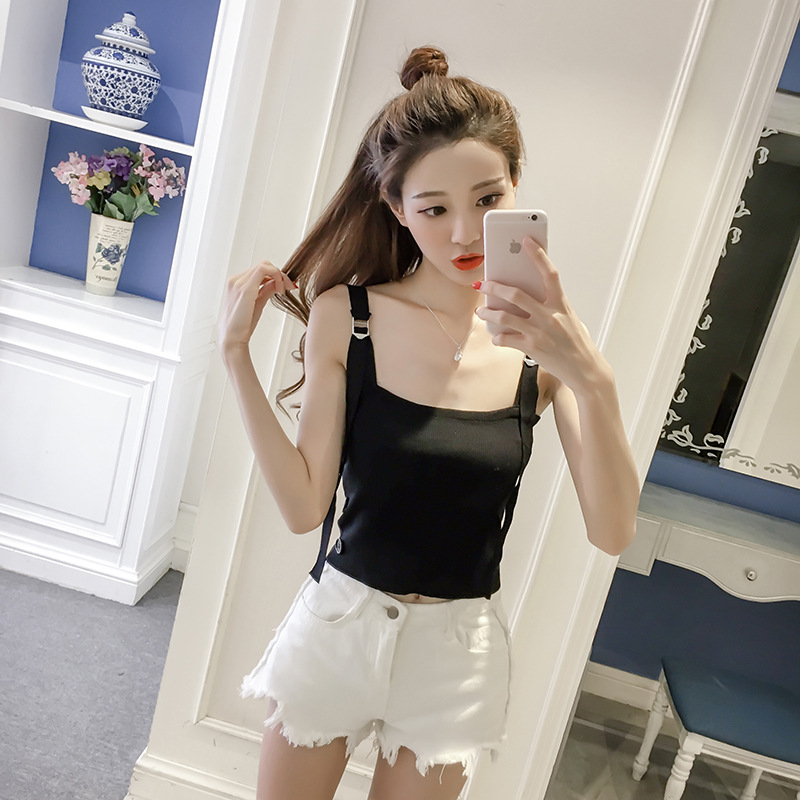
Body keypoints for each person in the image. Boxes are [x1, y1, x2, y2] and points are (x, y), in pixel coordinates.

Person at [218, 45, 639, 800]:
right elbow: (304, 507)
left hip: (456, 657)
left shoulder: (546, 349)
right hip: (340, 626)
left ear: (516, 187)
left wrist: (594, 378)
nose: (466, 234)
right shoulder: (348, 317)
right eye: (435, 209)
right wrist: (235, 358)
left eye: (487, 199)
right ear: (396, 208)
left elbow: (612, 532)